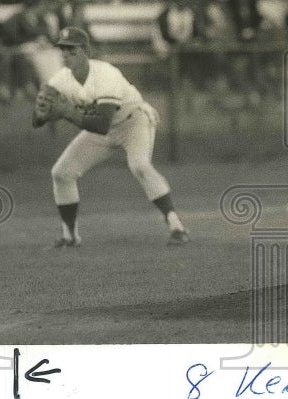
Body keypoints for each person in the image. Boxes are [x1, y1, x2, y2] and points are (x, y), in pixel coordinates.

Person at [34, 27, 190, 248]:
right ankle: (70, 236)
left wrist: (67, 112)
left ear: (86, 51)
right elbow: (37, 120)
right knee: (62, 173)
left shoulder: (105, 74)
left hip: (133, 121)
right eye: (63, 50)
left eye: (72, 50)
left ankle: (177, 227)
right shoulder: (61, 79)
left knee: (140, 166)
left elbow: (101, 123)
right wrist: (41, 111)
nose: (67, 55)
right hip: (105, 130)